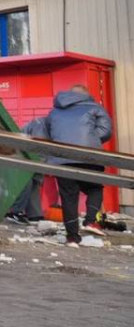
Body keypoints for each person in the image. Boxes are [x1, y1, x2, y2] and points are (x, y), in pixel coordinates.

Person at [44, 84, 113, 245]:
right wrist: (90, 138)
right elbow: (106, 130)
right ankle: (90, 221)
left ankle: (72, 238)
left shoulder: (55, 111)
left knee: (68, 198)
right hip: (89, 157)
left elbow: (49, 132)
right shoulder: (95, 107)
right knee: (95, 188)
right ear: (86, 95)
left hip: (63, 159)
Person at [6, 117, 47, 225]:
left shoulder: (41, 122)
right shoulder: (42, 124)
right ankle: (15, 211)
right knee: (28, 180)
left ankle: (33, 214)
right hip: (28, 154)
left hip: (26, 153)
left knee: (33, 181)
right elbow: (38, 145)